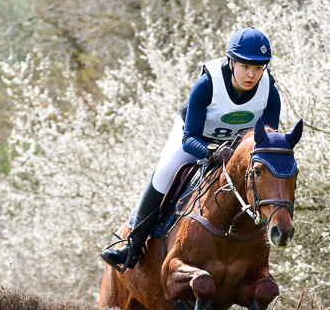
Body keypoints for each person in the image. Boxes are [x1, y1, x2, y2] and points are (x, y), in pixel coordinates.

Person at [100, 26, 281, 271]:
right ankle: (132, 244)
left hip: (238, 147)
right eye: (245, 66)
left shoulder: (269, 91)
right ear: (231, 62)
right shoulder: (207, 84)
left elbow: (265, 142)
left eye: (258, 68)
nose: (251, 74)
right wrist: (211, 152)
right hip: (196, 138)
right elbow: (189, 139)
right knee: (165, 174)